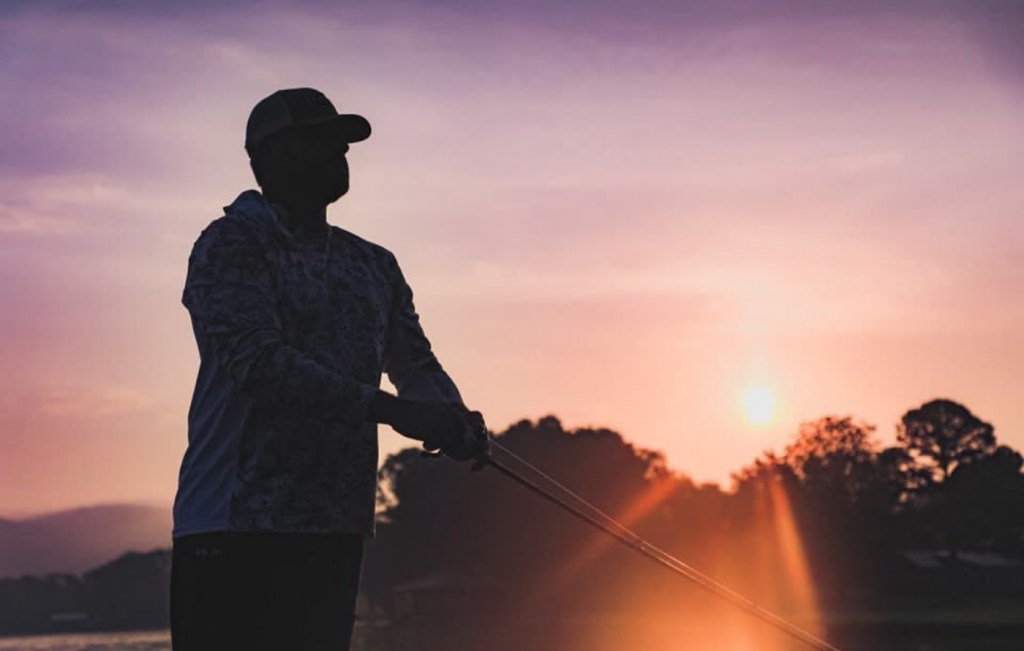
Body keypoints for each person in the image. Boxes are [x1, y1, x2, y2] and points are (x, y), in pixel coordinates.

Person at [170, 87, 488, 651]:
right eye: (318, 141)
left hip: (335, 526)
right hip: (234, 526)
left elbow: (415, 363)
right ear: (266, 158)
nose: (338, 154)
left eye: (340, 143)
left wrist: (453, 415)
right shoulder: (230, 244)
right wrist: (394, 412)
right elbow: (261, 365)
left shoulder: (373, 263)